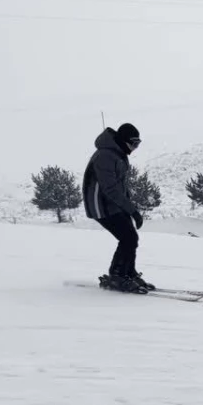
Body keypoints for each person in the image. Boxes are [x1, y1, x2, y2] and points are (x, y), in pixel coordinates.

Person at [82, 123, 152, 292]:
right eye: (134, 143)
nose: (135, 148)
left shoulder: (118, 154)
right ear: (123, 140)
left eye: (138, 143)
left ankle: (128, 273)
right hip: (100, 205)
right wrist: (132, 211)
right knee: (128, 238)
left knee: (131, 237)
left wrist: (130, 208)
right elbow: (110, 188)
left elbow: (121, 186)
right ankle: (118, 276)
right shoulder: (105, 156)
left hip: (111, 203)